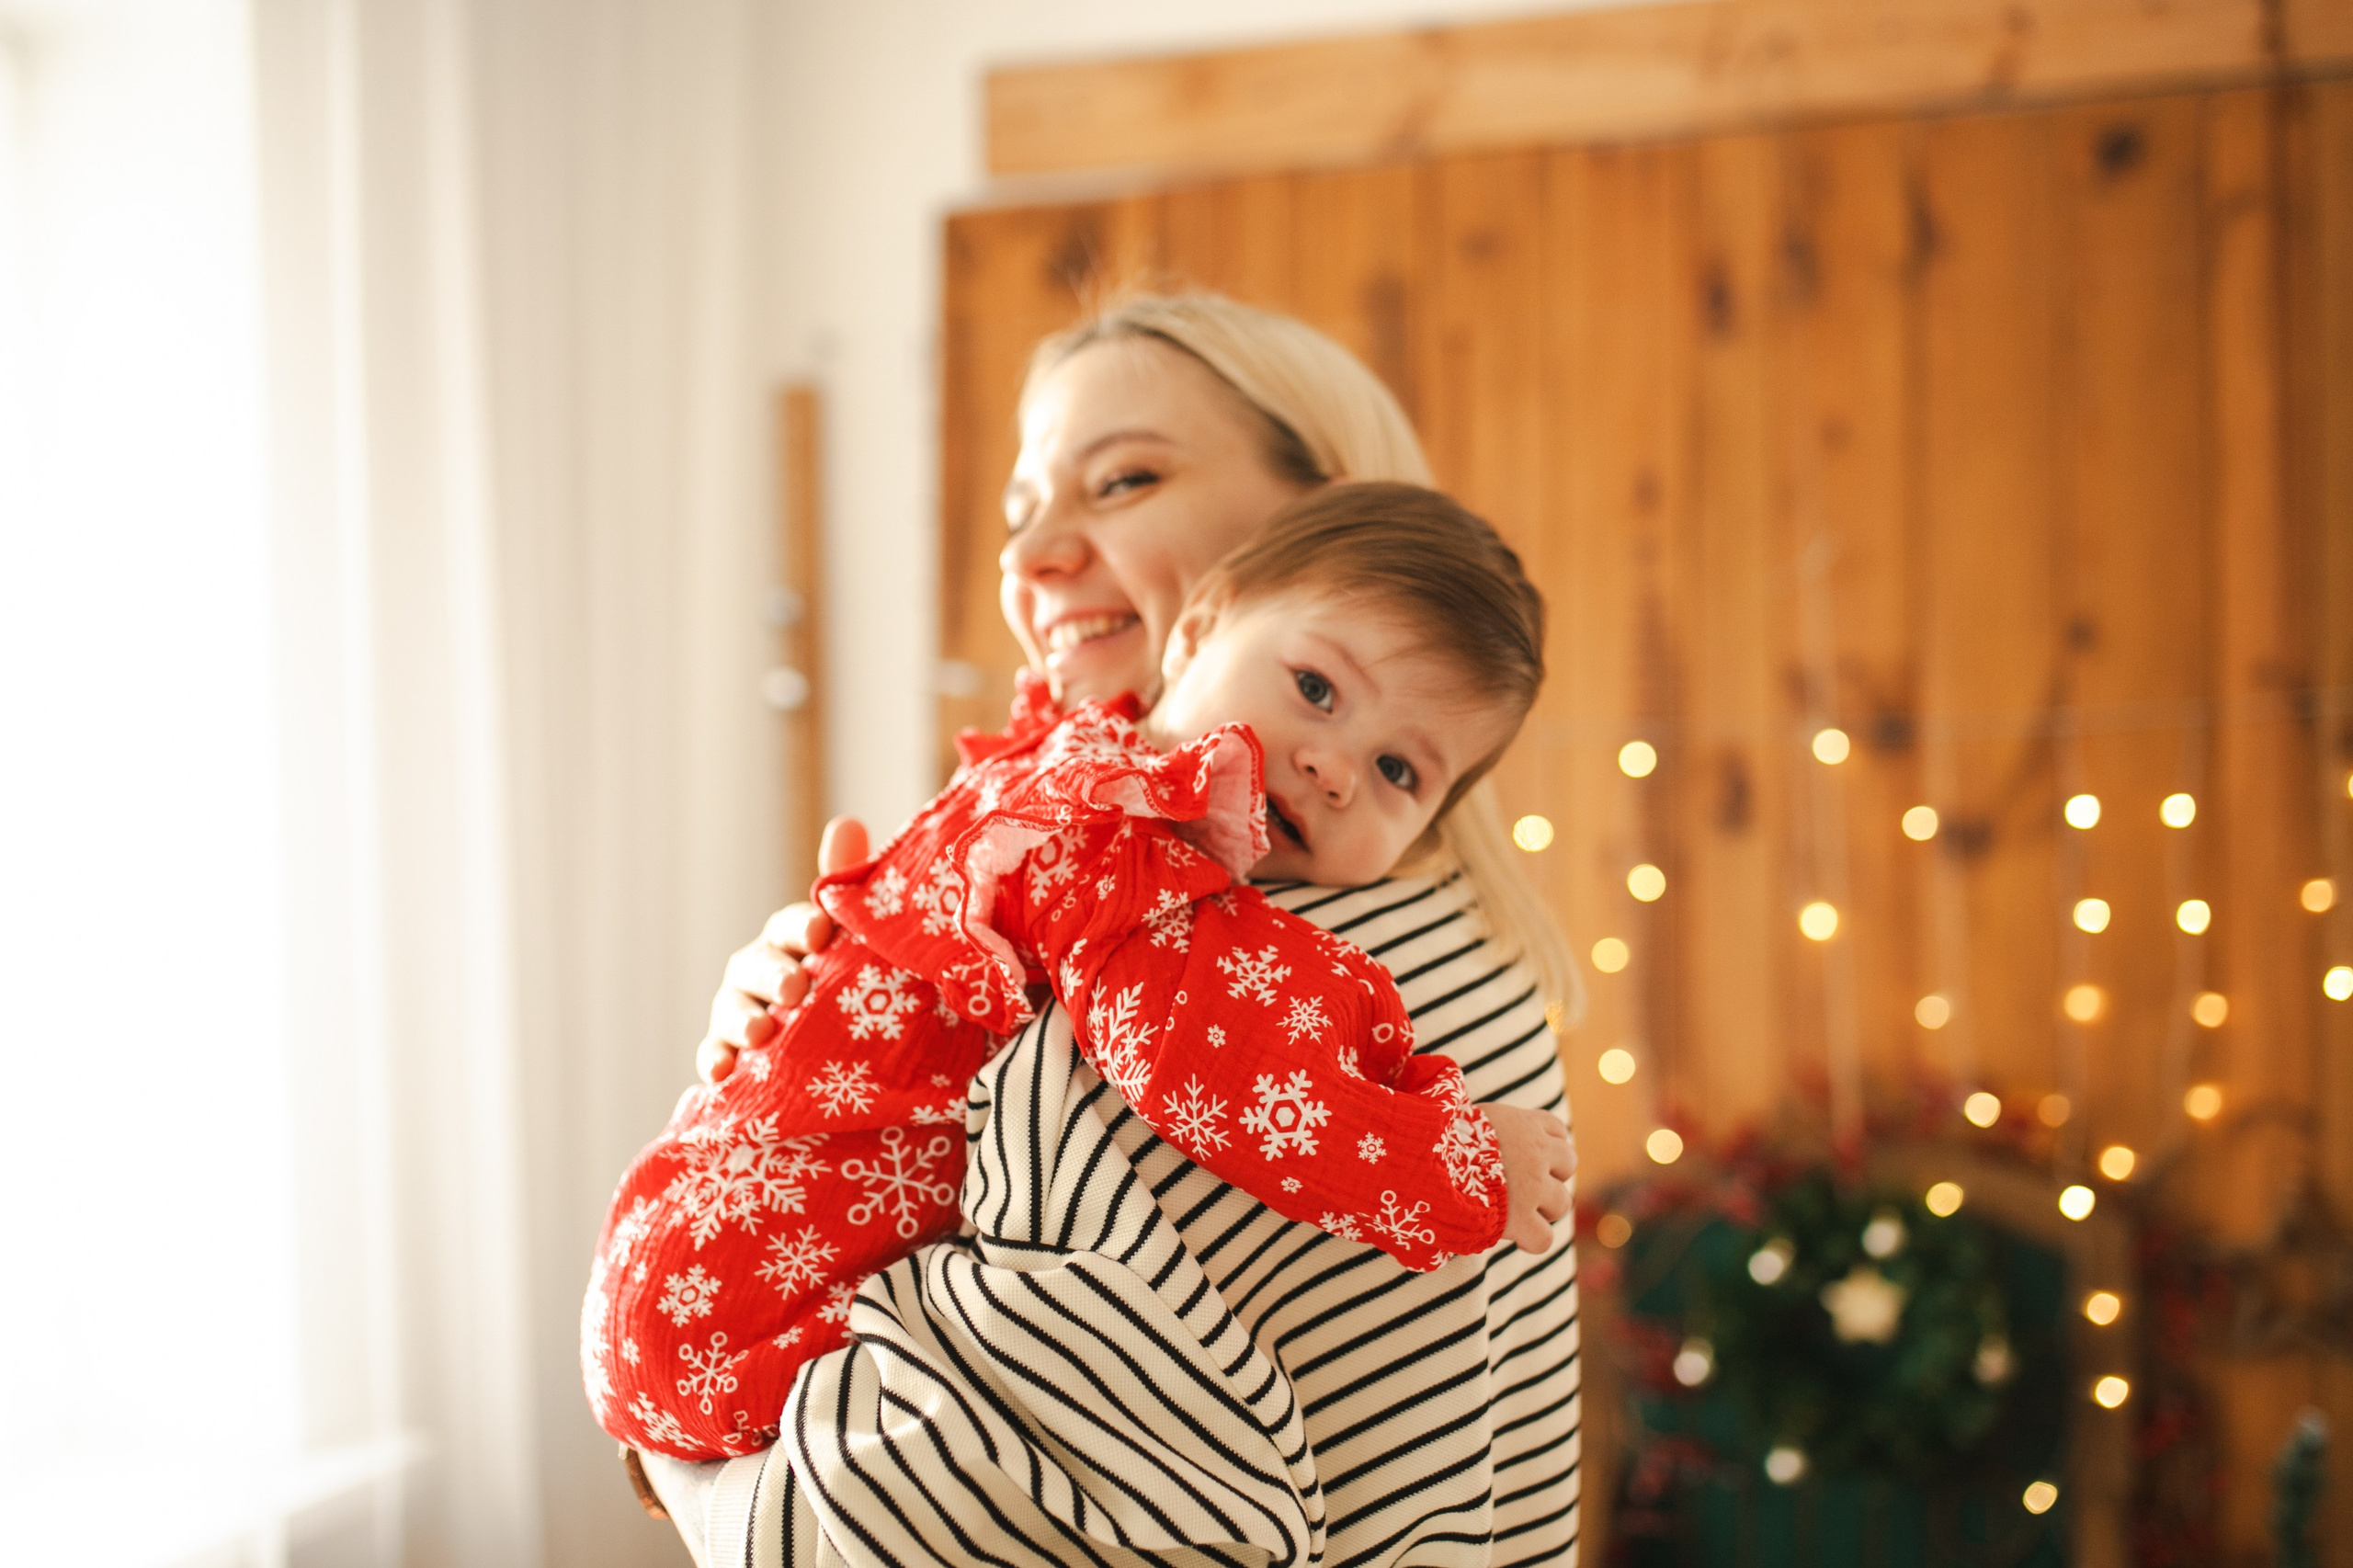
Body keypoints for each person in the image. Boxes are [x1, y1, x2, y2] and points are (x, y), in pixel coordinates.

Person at [654, 294, 1586, 1566]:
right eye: (1019, 505)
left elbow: (863, 1523)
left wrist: (681, 1452)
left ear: (1325, 519)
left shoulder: (1267, 987)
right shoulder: (1173, 892)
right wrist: (801, 1049)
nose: (1032, 556)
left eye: (1124, 478)